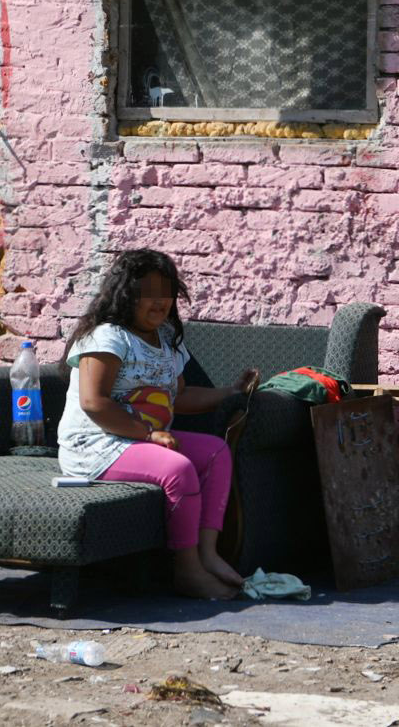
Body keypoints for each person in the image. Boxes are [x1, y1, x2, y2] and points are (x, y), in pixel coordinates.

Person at [57, 248, 257, 600]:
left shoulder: (165, 338)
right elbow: (94, 402)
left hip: (142, 441)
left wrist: (231, 392)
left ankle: (208, 554)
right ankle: (187, 570)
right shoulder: (107, 337)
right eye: (148, 293)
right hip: (96, 445)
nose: (159, 301)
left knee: (215, 452)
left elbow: (178, 396)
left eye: (166, 292)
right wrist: (149, 434)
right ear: (126, 294)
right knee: (177, 469)